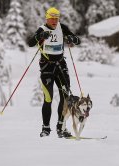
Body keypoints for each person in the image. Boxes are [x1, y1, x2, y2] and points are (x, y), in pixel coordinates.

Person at [28, 7, 81, 138]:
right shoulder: (42, 29)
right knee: (48, 98)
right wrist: (40, 36)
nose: (54, 21)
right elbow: (30, 43)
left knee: (65, 97)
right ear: (47, 18)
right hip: (47, 67)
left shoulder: (62, 27)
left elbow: (77, 40)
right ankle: (45, 129)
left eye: (56, 18)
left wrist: (72, 39)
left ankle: (61, 128)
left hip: (61, 66)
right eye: (51, 18)